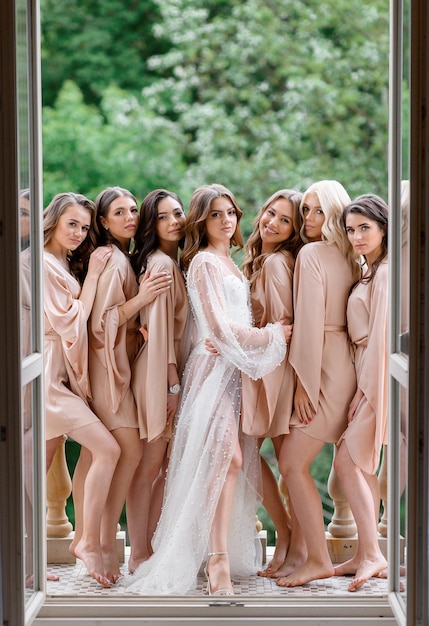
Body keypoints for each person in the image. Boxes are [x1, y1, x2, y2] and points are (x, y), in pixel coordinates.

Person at [123, 183, 290, 596]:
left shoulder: (233, 263)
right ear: (202, 219)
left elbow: (223, 325)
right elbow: (217, 327)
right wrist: (273, 335)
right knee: (227, 457)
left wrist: (245, 339)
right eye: (215, 214)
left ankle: (218, 555)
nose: (226, 220)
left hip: (233, 369)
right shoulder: (201, 264)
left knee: (236, 459)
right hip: (211, 370)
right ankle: (216, 561)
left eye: (231, 212)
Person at [84, 186, 172, 583]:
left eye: (133, 210)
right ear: (102, 222)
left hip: (120, 367)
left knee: (124, 459)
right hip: (108, 373)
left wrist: (140, 328)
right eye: (118, 213)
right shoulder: (112, 259)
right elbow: (100, 323)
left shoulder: (123, 258)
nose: (129, 217)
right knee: (130, 455)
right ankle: (101, 545)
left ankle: (105, 544)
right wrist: (142, 301)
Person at [276, 180, 360, 587]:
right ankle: (307, 553)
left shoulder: (311, 253)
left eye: (317, 211)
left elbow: (308, 326)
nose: (308, 219)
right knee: (303, 464)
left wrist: (304, 386)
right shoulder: (354, 255)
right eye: (305, 210)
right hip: (346, 364)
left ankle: (317, 558)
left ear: (335, 213)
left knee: (292, 465)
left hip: (322, 367)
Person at [43, 192, 120, 588]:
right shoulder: (41, 263)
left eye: (85, 227)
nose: (78, 233)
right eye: (71, 223)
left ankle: (71, 543)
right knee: (107, 448)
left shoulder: (59, 262)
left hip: (61, 376)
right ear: (54, 219)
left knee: (35, 472)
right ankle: (86, 540)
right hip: (48, 380)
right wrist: (91, 276)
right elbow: (71, 322)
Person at [125, 189, 190, 575]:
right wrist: (171, 386)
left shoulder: (169, 261)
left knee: (163, 464)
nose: (174, 222)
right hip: (157, 374)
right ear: (152, 225)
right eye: (164, 217)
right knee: (148, 466)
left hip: (166, 370)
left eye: (178, 213)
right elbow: (160, 329)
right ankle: (138, 552)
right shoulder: (161, 265)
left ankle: (150, 547)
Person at [241, 189, 304, 577]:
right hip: (258, 365)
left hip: (272, 369)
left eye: (285, 220)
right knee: (257, 455)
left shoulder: (278, 264)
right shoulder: (257, 260)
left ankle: (288, 536)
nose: (273, 223)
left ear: (293, 230)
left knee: (273, 456)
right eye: (271, 213)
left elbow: (284, 326)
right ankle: (288, 534)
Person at [333, 194, 389, 591]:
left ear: (383, 226)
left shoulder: (385, 274)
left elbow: (383, 339)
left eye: (364, 227)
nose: (356, 236)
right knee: (362, 466)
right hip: (362, 372)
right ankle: (366, 552)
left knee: (346, 462)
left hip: (375, 377)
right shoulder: (371, 270)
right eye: (351, 229)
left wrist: (364, 392)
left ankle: (372, 553)